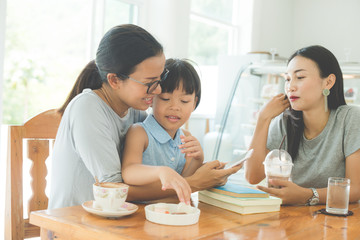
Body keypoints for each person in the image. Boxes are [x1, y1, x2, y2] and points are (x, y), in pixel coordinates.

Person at [48, 24, 240, 209]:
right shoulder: (87, 108)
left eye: (160, 79)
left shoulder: (136, 109)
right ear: (114, 80)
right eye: (150, 82)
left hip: (121, 221)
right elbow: (116, 190)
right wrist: (193, 183)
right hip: (73, 225)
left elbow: (156, 168)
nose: (157, 90)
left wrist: (200, 167)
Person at [245, 45, 360, 205]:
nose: (290, 87)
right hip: (294, 219)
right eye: (287, 79)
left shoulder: (351, 118)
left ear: (328, 82)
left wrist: (307, 195)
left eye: (300, 77)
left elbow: (355, 189)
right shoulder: (284, 122)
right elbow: (252, 176)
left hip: (339, 220)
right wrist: (263, 119)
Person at [122, 58, 203, 205]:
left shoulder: (186, 138)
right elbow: (129, 171)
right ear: (151, 99)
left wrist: (198, 160)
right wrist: (161, 172)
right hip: (140, 213)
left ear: (194, 103)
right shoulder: (139, 132)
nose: (175, 107)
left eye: (184, 101)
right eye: (165, 98)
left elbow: (184, 181)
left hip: (171, 214)